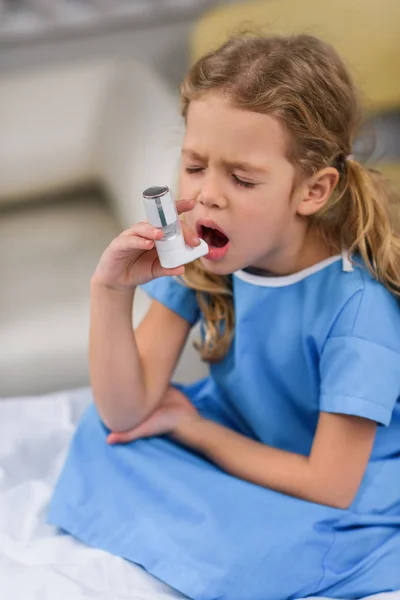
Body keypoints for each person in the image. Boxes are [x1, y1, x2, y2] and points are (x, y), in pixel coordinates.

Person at [48, 34, 400, 600]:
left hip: (330, 491)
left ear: (312, 190)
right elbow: (125, 411)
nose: (207, 196)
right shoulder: (206, 261)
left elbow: (330, 486)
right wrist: (109, 291)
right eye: (194, 166)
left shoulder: (360, 311)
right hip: (245, 440)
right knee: (99, 436)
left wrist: (192, 428)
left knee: (265, 557)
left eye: (241, 178)